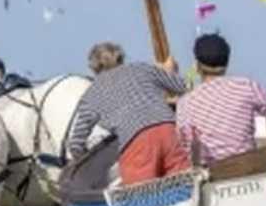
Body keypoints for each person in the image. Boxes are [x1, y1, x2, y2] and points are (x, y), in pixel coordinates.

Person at [60, 42, 188, 197]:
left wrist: (82, 161)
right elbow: (182, 87)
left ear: (93, 67)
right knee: (185, 190)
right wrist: (169, 73)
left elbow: (75, 143)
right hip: (170, 132)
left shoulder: (91, 94)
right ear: (121, 58)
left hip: (137, 143)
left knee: (142, 202)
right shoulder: (142, 68)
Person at [175, 33, 266, 164]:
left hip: (212, 174)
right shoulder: (245, 85)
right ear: (227, 63)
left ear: (197, 66)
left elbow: (185, 143)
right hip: (248, 167)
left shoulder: (185, 103)